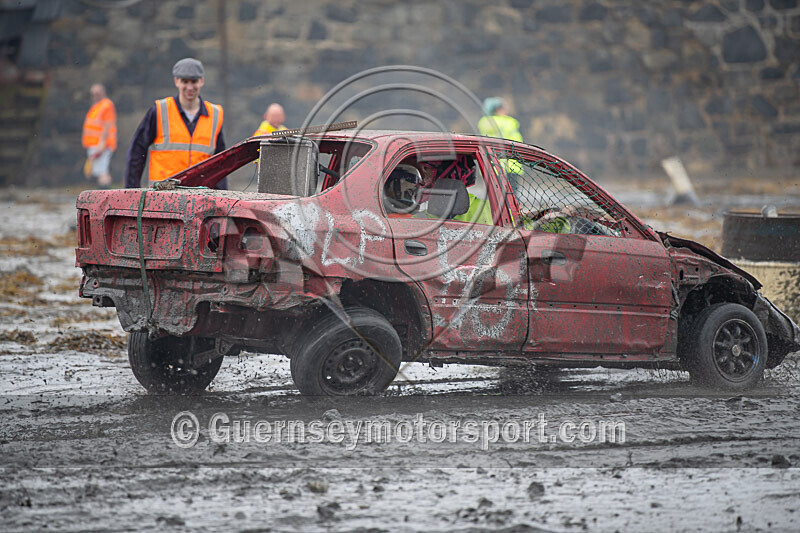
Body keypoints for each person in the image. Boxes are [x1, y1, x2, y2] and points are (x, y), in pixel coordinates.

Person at [124, 58, 227, 189]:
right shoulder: (159, 111)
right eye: (185, 81)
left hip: (200, 196)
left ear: (202, 81)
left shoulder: (215, 114)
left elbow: (220, 163)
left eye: (194, 81)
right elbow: (137, 151)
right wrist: (131, 190)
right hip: (163, 196)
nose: (190, 87)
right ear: (176, 81)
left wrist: (223, 196)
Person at [478, 97, 524, 189]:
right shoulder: (508, 122)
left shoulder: (484, 122)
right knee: (511, 195)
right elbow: (517, 142)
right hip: (510, 164)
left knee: (494, 195)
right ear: (498, 109)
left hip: (491, 165)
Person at [82, 83, 117, 188]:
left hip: (101, 145)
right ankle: (104, 194)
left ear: (103, 93)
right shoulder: (96, 106)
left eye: (97, 93)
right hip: (94, 144)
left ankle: (106, 195)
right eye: (93, 94)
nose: (95, 96)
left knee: (102, 171)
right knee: (98, 171)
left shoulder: (106, 105)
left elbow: (107, 125)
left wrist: (101, 144)